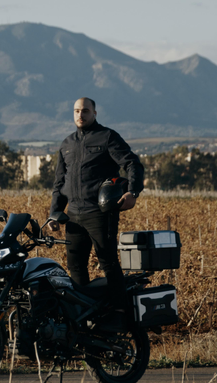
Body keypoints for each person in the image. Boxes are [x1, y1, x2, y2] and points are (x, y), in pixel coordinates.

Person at [48, 97, 144, 310]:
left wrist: (132, 192)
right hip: (73, 215)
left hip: (99, 213)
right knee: (76, 268)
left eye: (85, 111)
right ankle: (85, 317)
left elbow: (132, 164)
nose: (80, 115)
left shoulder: (107, 137)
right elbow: (59, 183)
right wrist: (54, 212)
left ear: (94, 113)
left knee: (108, 263)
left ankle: (120, 313)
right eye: (76, 111)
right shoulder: (67, 144)